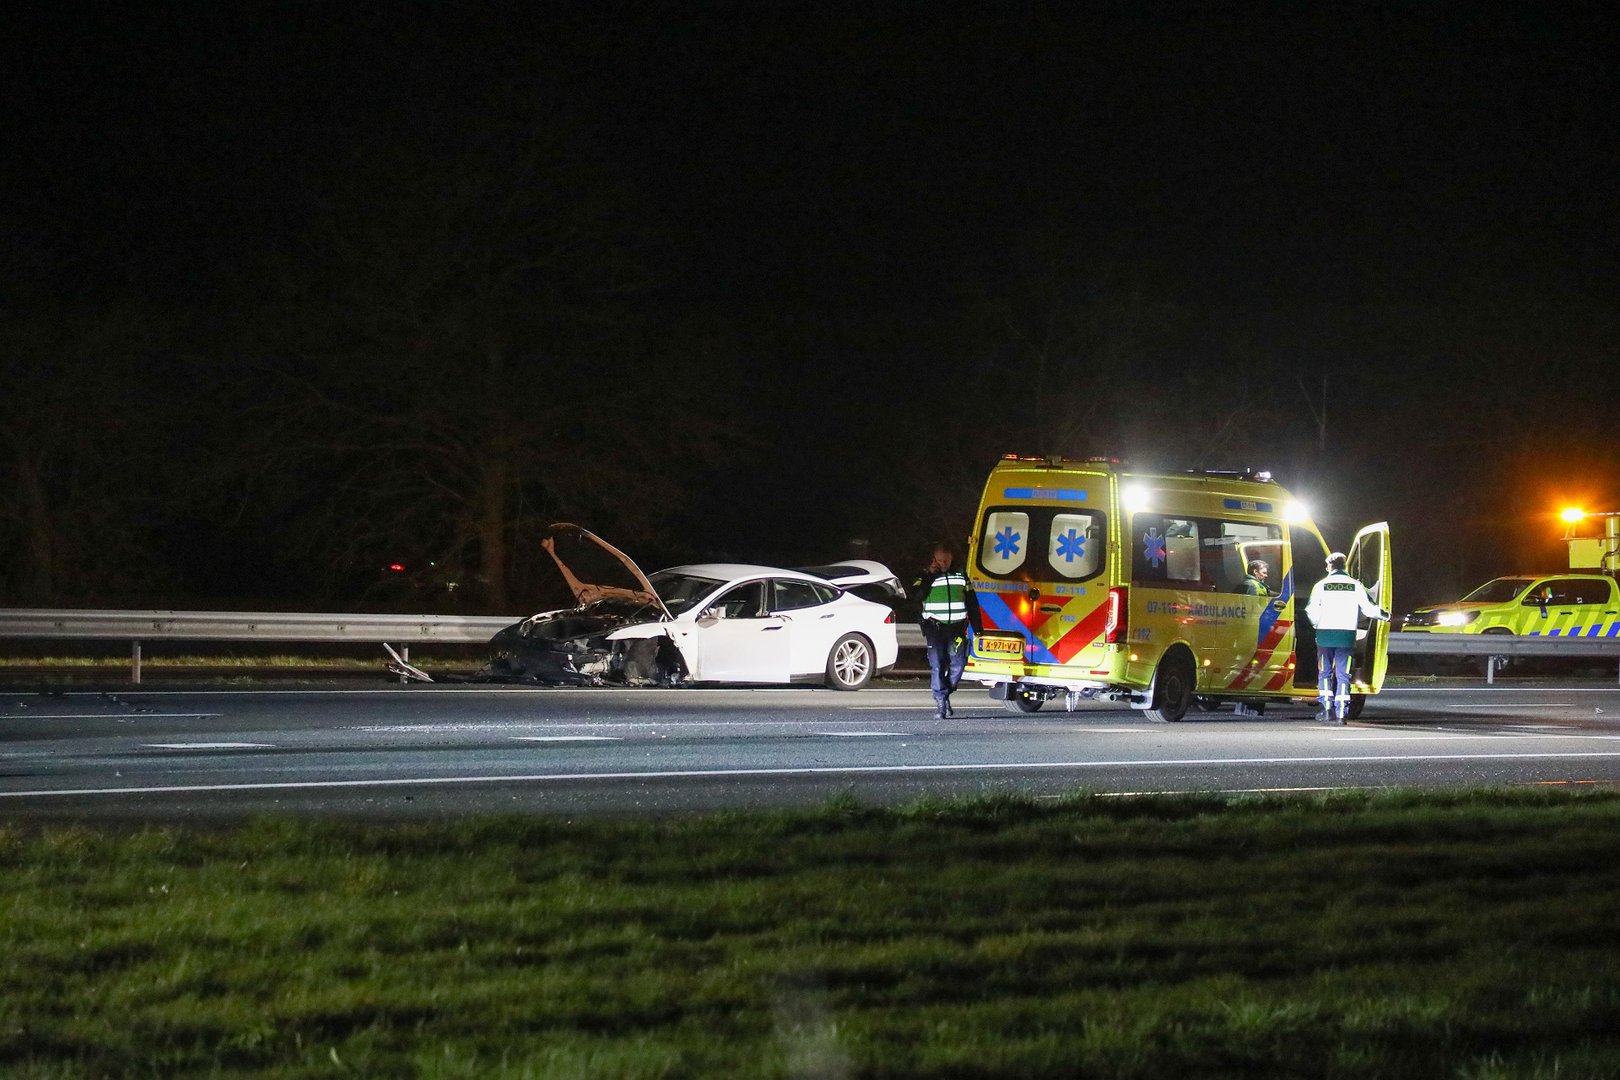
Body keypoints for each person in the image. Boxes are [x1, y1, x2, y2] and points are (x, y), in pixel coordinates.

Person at [1304, 551, 1389, 725]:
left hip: (1325, 635)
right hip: (1346, 636)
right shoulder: (1355, 585)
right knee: (1343, 675)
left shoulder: (1321, 585)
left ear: (1330, 566)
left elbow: (1310, 610)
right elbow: (1369, 609)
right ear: (1344, 566)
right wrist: (1386, 615)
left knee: (1324, 673)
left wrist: (1316, 624)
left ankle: (1327, 711)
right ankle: (1342, 714)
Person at [910, 542, 982, 719]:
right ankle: (941, 701)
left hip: (957, 628)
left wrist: (978, 627)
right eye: (940, 560)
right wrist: (929, 576)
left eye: (946, 560)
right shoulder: (925, 575)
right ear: (934, 559)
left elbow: (972, 601)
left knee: (959, 663)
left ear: (951, 559)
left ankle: (945, 693)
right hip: (935, 627)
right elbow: (916, 596)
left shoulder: (960, 575)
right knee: (938, 664)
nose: (943, 564)